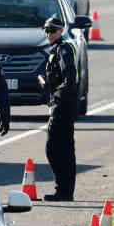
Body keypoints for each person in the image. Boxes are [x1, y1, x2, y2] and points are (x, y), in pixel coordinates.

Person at [40, 17, 77, 201]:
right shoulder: (56, 49)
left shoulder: (64, 49)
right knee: (61, 148)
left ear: (61, 31)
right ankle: (64, 190)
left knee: (55, 148)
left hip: (62, 106)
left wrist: (56, 98)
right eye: (46, 30)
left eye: (52, 30)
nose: (49, 34)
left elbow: (69, 78)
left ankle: (63, 190)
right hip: (59, 104)